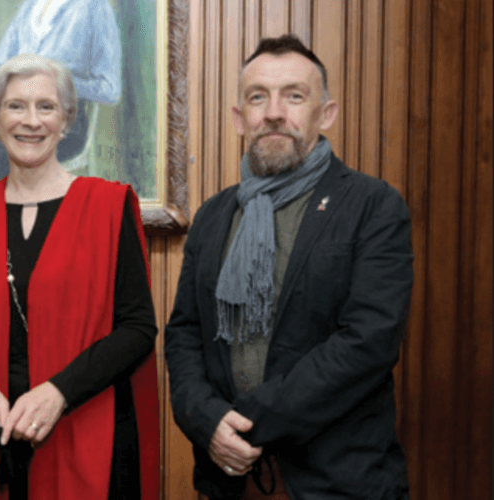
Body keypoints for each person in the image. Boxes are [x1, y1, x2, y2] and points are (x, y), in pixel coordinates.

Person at [164, 35, 413, 500]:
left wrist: (245, 422)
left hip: (336, 481)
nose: (274, 111)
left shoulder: (372, 206)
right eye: (258, 97)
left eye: (294, 95)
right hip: (227, 481)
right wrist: (207, 420)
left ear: (326, 113)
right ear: (240, 118)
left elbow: (368, 342)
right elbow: (184, 333)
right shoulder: (214, 216)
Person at [0, 53, 159, 500]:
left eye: (46, 106)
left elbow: (138, 328)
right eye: (15, 106)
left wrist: (60, 392)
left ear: (66, 121)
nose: (31, 120)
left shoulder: (108, 206)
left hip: (84, 427)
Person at [0, 0, 121, 197]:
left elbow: (110, 89)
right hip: (14, 117)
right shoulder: (31, 5)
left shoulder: (93, 6)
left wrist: (53, 80)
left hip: (61, 126)